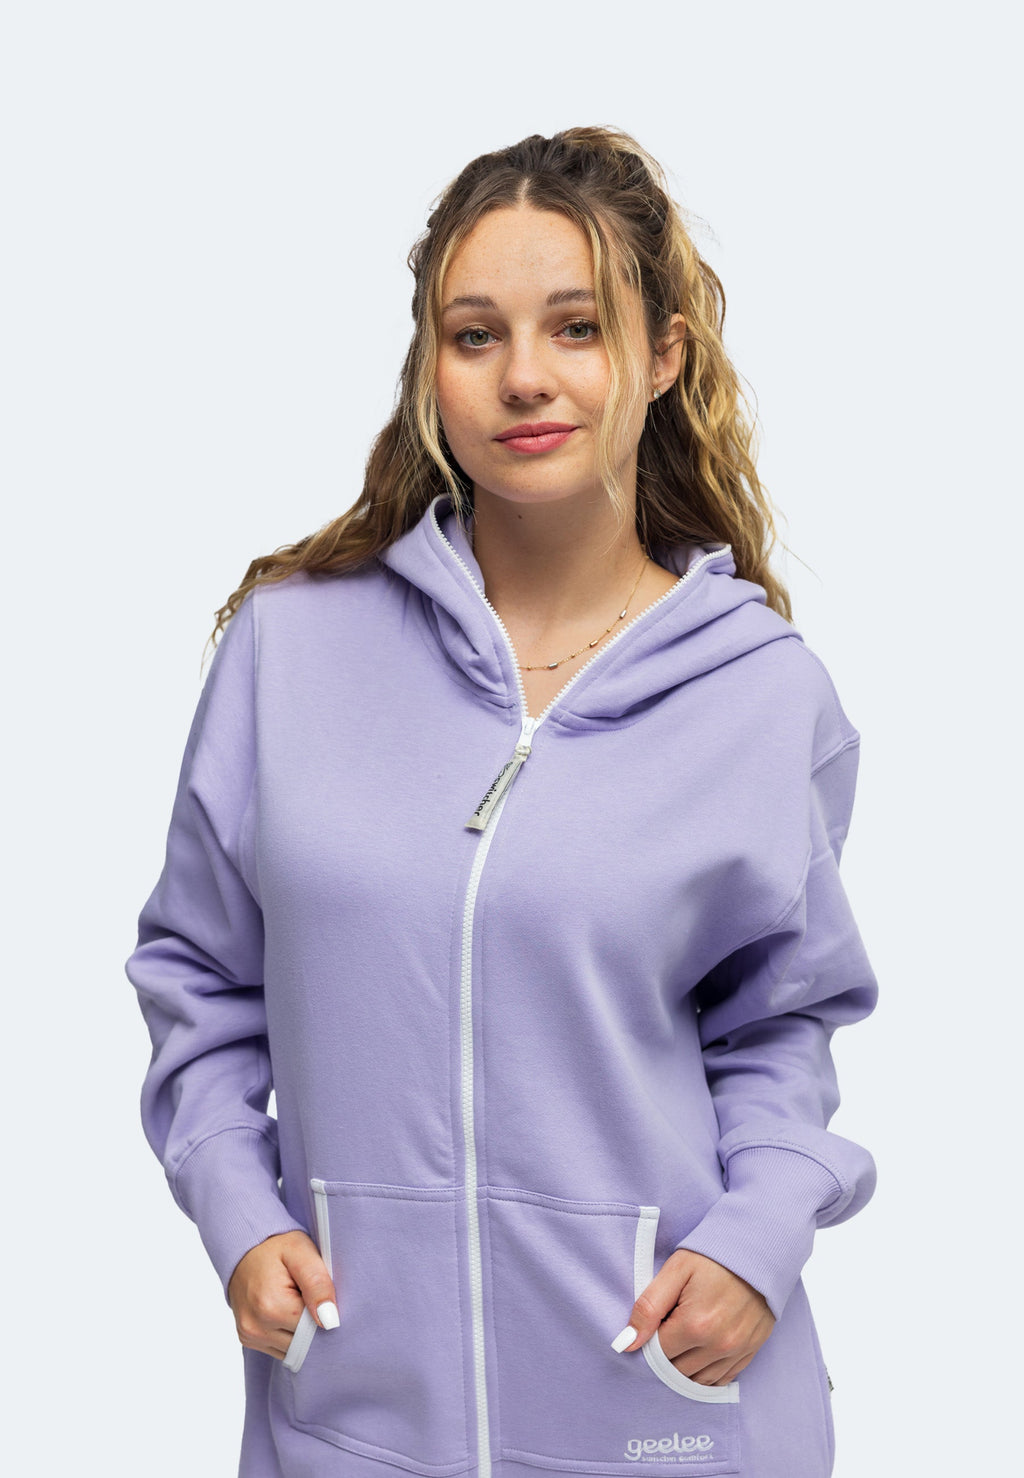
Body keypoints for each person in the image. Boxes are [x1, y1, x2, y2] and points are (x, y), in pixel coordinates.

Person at [126, 125, 878, 1478]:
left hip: (662, 1405)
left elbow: (781, 1022)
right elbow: (200, 972)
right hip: (359, 1414)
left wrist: (756, 1239)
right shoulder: (290, 650)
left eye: (576, 327)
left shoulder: (762, 693)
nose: (525, 375)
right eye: (476, 335)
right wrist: (239, 1209)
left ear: (662, 355)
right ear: (432, 366)